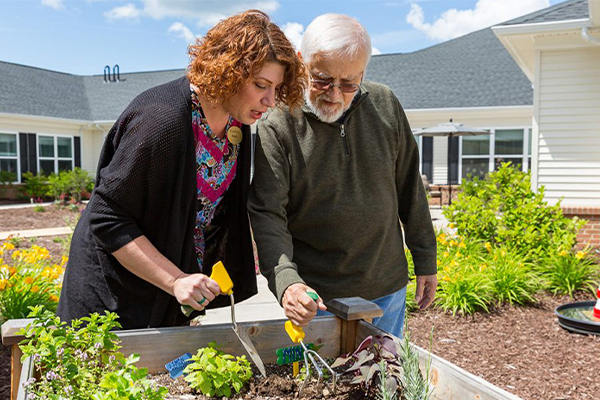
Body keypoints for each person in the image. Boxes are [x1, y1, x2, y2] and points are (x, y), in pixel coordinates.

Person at [58, 10, 307, 330]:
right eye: (261, 85)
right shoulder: (158, 122)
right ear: (230, 71)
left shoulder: (236, 123)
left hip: (173, 286)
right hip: (112, 294)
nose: (270, 100)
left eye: (276, 88)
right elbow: (107, 218)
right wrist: (174, 279)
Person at [248, 13, 437, 338]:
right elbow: (268, 213)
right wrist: (287, 282)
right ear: (301, 62)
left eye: (349, 83)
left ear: (363, 73)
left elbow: (409, 186)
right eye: (322, 80)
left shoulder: (385, 104)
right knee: (323, 387)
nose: (335, 95)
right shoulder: (278, 124)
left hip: (387, 287)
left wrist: (425, 257)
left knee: (384, 382)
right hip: (318, 298)